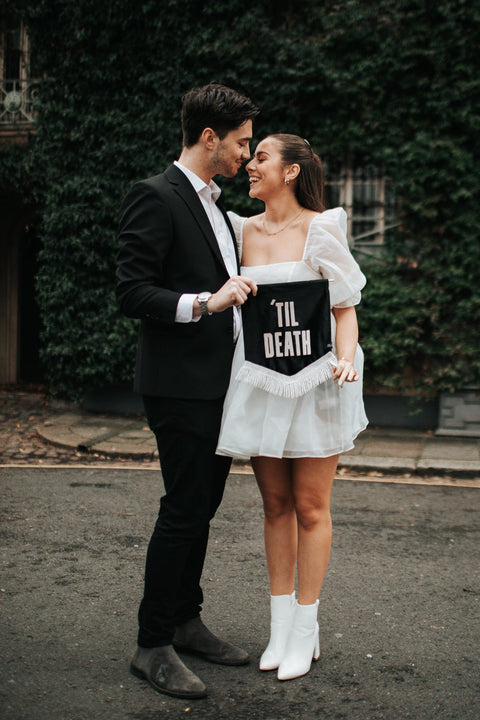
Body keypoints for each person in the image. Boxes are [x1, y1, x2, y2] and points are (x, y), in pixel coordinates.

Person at [116, 83, 259, 699]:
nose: (247, 156)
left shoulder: (218, 207)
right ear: (209, 138)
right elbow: (132, 291)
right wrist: (206, 301)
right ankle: (153, 645)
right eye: (241, 143)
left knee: (201, 507)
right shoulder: (155, 196)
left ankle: (186, 618)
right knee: (183, 509)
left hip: (220, 386)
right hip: (178, 388)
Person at [216, 133, 368, 681]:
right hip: (261, 379)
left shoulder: (321, 229)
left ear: (291, 172)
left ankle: (307, 627)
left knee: (310, 506)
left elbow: (345, 308)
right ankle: (280, 627)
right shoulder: (239, 233)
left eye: (261, 158)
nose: (250, 165)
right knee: (273, 505)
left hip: (318, 381)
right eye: (251, 156)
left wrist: (346, 360)